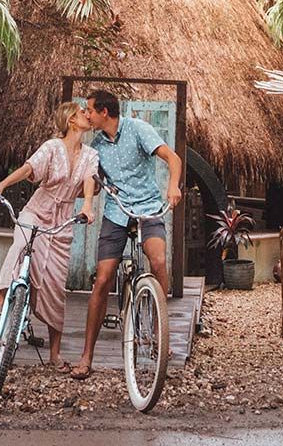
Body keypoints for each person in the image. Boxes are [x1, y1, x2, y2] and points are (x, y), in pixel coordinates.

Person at [71, 87, 182, 379]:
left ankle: (160, 334)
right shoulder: (96, 145)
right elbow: (92, 185)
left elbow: (173, 159)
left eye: (90, 110)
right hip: (116, 212)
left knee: (158, 261)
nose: (88, 115)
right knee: (103, 279)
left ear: (104, 112)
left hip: (147, 207)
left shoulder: (138, 129)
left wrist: (172, 186)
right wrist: (77, 196)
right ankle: (86, 356)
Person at [0, 101, 97, 371]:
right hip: (36, 211)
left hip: (63, 222)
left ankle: (55, 355)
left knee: (56, 287)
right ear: (70, 120)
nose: (87, 115)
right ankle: (0, 300)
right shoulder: (52, 147)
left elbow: (90, 180)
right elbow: (28, 168)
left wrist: (88, 206)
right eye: (82, 112)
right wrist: (1, 184)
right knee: (21, 246)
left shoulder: (90, 155)